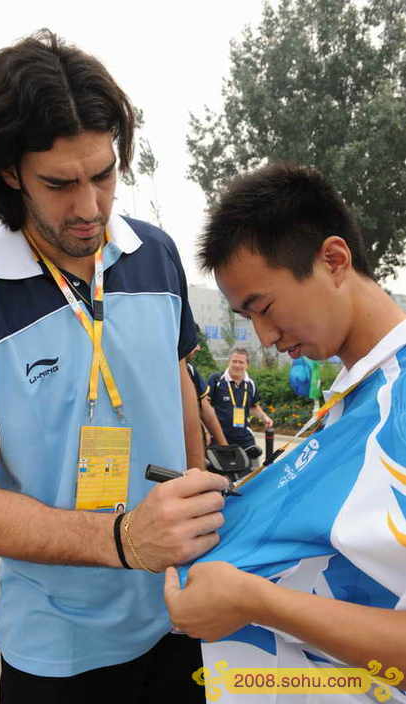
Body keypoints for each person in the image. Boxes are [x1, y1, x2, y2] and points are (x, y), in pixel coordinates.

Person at [0, 30, 229, 704]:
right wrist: (122, 538)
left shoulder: (159, 257)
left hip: (180, 617)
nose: (89, 208)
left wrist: (198, 500)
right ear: (8, 173)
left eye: (103, 174)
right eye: (59, 183)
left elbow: (174, 388)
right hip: (57, 650)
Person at [165, 163, 406, 703]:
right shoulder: (354, 395)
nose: (266, 337)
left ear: (334, 261)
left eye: (265, 307)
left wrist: (255, 602)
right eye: (246, 317)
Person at [208, 347, 273, 452]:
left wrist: (265, 417)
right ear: (229, 362)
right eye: (234, 361)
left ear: (247, 365)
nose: (237, 365)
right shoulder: (216, 380)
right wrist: (207, 432)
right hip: (219, 436)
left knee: (253, 465)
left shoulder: (251, 384)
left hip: (244, 437)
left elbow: (253, 407)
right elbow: (205, 406)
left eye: (241, 362)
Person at [186, 338, 228, 447]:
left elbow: (205, 408)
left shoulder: (190, 370)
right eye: (194, 342)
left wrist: (224, 447)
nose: (198, 348)